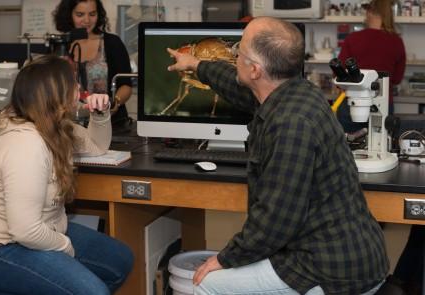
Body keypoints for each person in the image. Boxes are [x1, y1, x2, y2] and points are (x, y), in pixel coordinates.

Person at [167, 16, 389, 295]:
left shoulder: (290, 125)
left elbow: (274, 222)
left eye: (239, 52)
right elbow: (236, 86)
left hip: (330, 267)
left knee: (206, 283)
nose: (234, 56)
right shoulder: (293, 91)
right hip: (330, 249)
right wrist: (196, 65)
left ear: (256, 70)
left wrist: (224, 259)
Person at [0, 55, 133, 295]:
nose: (79, 88)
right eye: (73, 83)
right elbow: (25, 230)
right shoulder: (25, 145)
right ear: (55, 95)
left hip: (41, 231)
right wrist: (64, 246)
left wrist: (100, 114)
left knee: (120, 260)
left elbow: (96, 146)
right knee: (94, 292)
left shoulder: (56, 128)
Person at [54, 0, 133, 129]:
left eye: (92, 14)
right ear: (69, 15)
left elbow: (126, 85)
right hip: (68, 127)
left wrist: (115, 103)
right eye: (80, 14)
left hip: (109, 124)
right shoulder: (60, 45)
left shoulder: (112, 43)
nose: (87, 20)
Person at [337, 0, 406, 132]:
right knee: (380, 147)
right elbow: (397, 79)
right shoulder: (396, 41)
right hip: (382, 104)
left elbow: (339, 75)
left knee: (347, 147)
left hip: (352, 104)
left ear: (370, 13)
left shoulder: (353, 39)